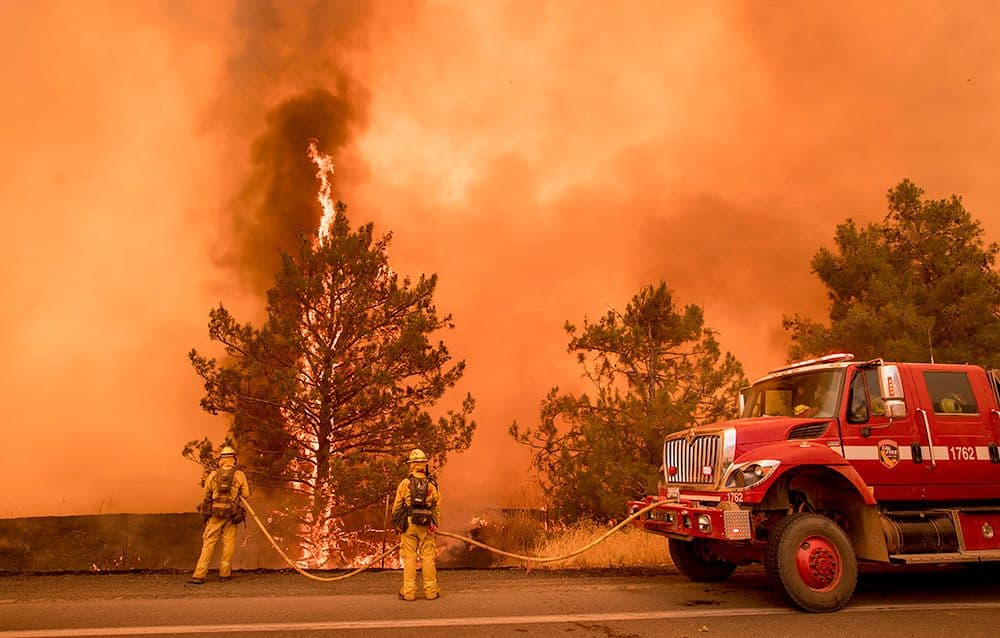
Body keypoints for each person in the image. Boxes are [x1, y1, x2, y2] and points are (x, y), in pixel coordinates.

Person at [188, 446, 250, 585]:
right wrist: (236, 491)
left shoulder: (213, 475)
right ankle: (225, 574)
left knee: (209, 542)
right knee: (229, 543)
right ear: (233, 459)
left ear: (221, 459)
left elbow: (206, 496)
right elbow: (246, 494)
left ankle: (199, 575)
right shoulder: (239, 475)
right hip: (231, 514)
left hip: (215, 515)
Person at [391, 448, 441, 601]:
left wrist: (397, 524)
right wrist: (435, 523)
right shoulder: (432, 485)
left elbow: (396, 507)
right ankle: (431, 592)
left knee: (409, 558)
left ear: (412, 465)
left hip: (409, 524)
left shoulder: (405, 484)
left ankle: (409, 592)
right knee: (427, 558)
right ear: (424, 464)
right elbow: (436, 507)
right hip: (426, 525)